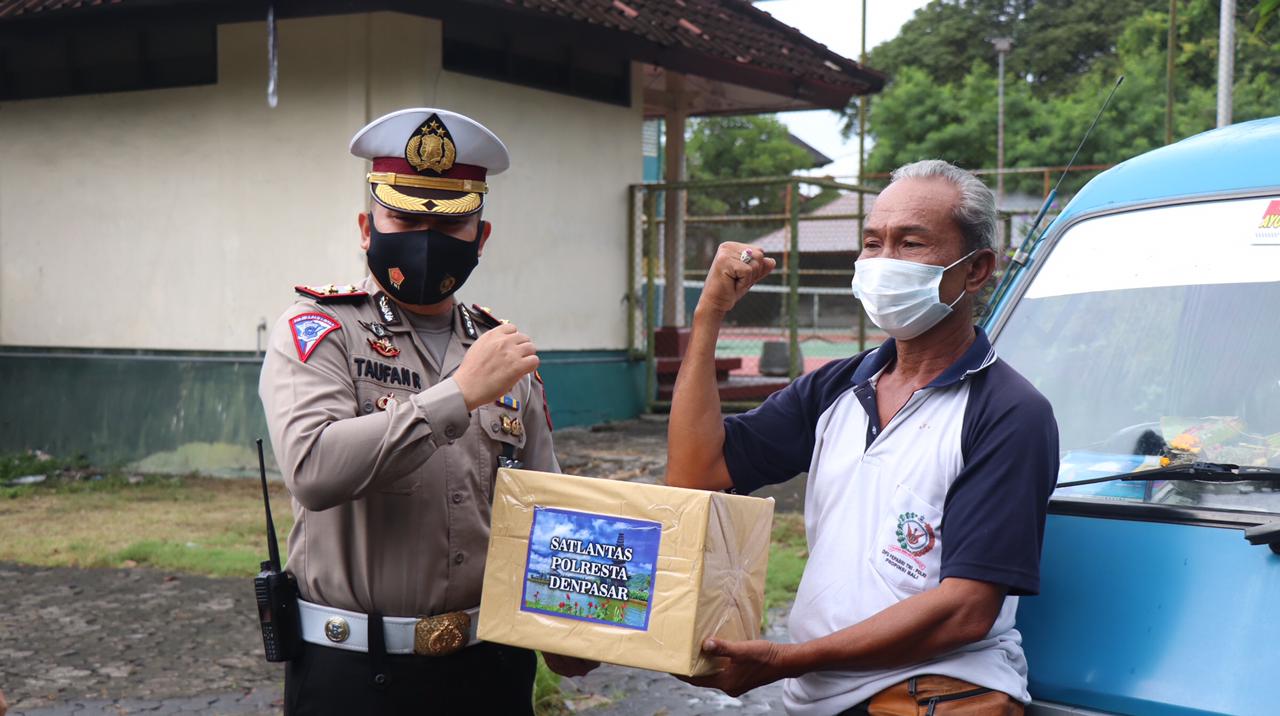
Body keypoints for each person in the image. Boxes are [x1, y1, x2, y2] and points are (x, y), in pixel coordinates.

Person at [665, 159, 1059, 715]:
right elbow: (696, 471)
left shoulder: (1008, 412)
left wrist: (789, 658)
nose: (883, 263)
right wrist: (709, 315)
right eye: (873, 243)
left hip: (932, 693)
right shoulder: (836, 388)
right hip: (815, 694)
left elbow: (966, 609)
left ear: (976, 270)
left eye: (910, 243)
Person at [259, 108, 590, 716]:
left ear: (481, 238)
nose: (425, 238)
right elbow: (312, 469)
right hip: (356, 675)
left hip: (490, 668)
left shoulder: (505, 351)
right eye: (404, 216)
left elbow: (549, 510)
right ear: (366, 226)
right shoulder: (320, 331)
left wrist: (571, 623)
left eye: (452, 222)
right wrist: (458, 394)